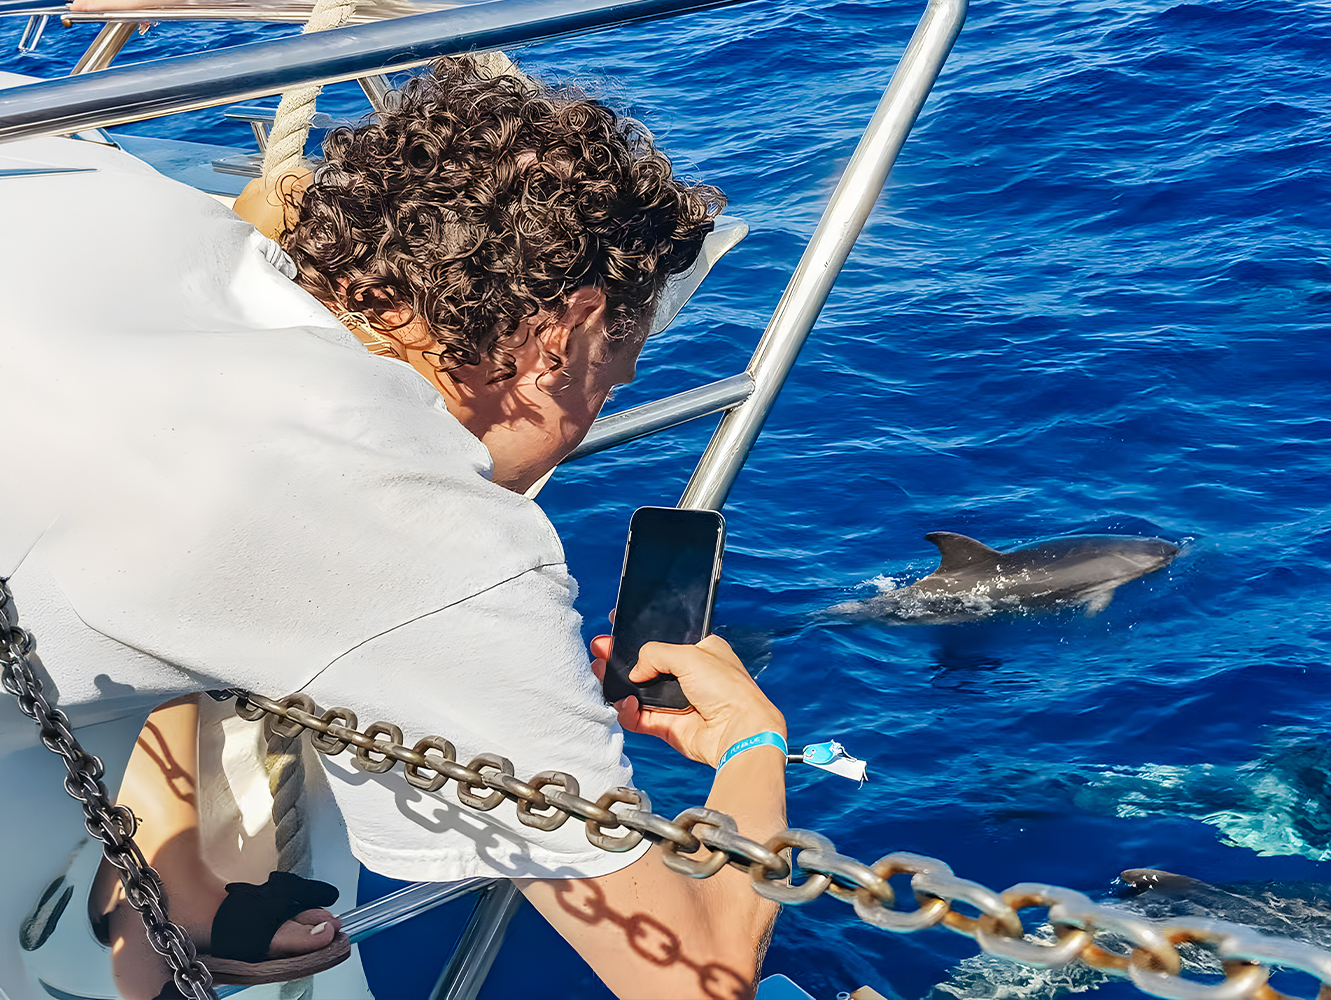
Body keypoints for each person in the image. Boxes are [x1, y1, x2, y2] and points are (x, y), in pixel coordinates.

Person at [0, 56, 786, 1000]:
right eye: (608, 382)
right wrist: (751, 745)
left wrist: (178, 876)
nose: (588, 424)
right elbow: (697, 974)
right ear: (562, 335)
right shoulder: (425, 534)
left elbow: (180, 560)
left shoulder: (98, 179)